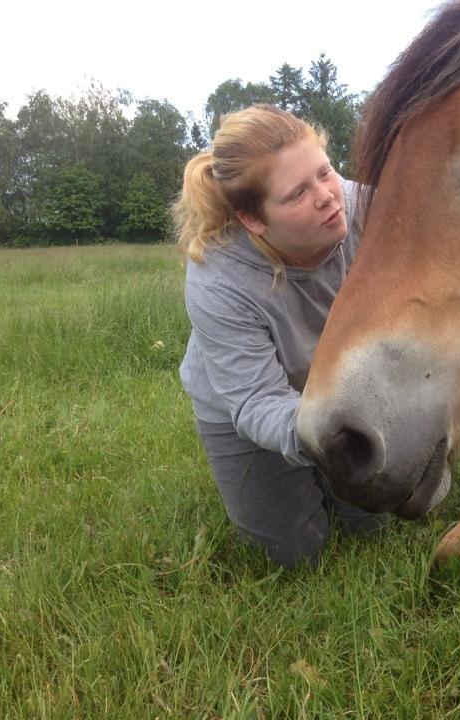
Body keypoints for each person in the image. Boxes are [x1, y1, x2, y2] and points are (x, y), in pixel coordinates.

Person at [172, 104, 385, 568]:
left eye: (325, 173)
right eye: (297, 195)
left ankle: (335, 485)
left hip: (341, 386)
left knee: (376, 523)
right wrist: (331, 439)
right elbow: (255, 401)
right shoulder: (218, 276)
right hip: (246, 408)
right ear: (254, 219)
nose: (329, 197)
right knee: (294, 552)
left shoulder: (368, 206)